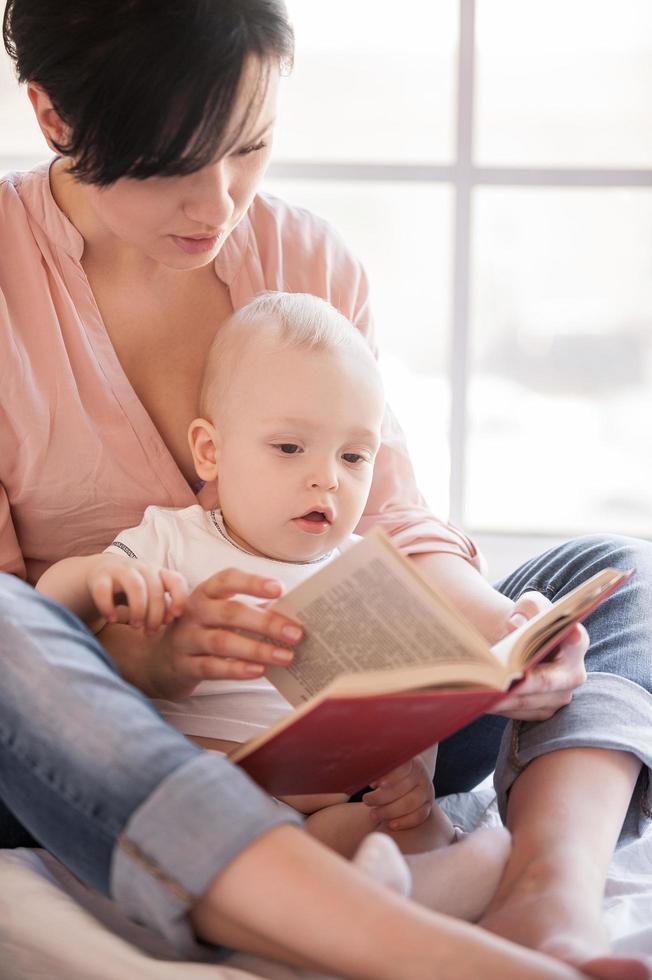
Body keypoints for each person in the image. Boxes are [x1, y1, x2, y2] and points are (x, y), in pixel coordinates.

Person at [0, 1, 650, 978]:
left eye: (249, 146)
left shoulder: (303, 258)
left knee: (612, 575)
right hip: (114, 745)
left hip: (357, 737)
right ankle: (410, 949)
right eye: (177, 161)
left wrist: (506, 641)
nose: (219, 204)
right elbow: (25, 622)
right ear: (54, 116)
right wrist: (152, 656)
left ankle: (544, 901)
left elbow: (387, 515)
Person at [36, 289, 513, 922]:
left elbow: (403, 703)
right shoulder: (172, 538)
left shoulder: (363, 572)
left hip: (329, 798)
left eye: (353, 456)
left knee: (379, 829)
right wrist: (98, 578)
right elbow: (41, 618)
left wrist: (412, 780)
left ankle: (424, 879)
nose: (327, 478)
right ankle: (375, 899)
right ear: (210, 451)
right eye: (290, 448)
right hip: (212, 775)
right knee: (233, 834)